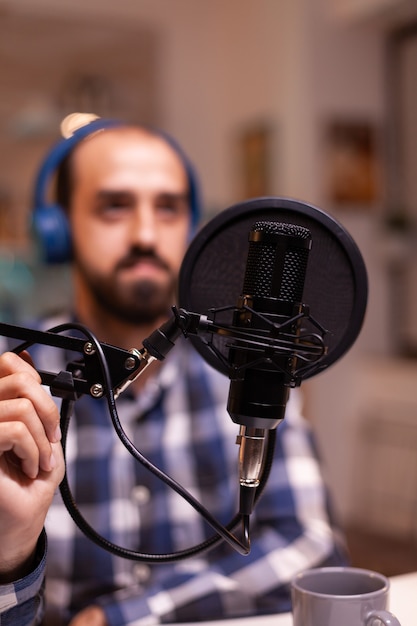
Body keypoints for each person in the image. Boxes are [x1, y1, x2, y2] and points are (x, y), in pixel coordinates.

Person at [0, 115, 347, 626]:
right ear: (59, 228)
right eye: (114, 206)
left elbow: (311, 547)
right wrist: (10, 556)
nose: (145, 233)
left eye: (167, 208)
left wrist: (123, 616)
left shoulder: (251, 362)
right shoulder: (12, 376)